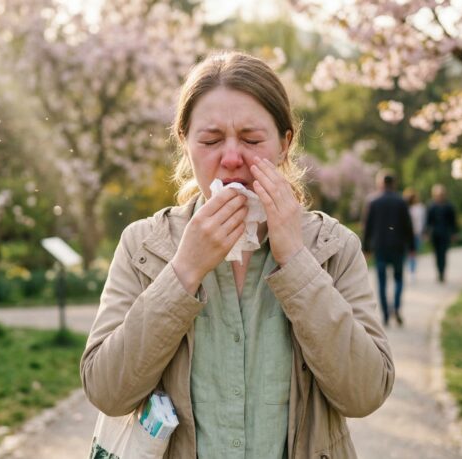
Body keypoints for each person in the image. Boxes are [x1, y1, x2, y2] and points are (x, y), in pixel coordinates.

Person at [80, 51, 394, 459]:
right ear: (185, 143)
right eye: (210, 140)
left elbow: (365, 394)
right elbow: (106, 391)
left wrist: (296, 261)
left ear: (285, 144)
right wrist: (184, 270)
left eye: (251, 140)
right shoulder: (143, 246)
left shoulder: (334, 247)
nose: (231, 159)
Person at [362, 171, 415, 326]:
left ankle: (385, 314)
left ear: (380, 183)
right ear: (394, 183)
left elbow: (367, 227)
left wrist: (366, 248)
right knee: (398, 279)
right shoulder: (401, 202)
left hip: (380, 247)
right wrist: (412, 246)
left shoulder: (373, 201)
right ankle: (396, 307)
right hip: (398, 247)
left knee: (382, 282)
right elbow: (408, 226)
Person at [425, 184, 458, 283]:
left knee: (443, 254)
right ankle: (439, 272)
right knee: (436, 254)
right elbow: (428, 221)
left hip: (445, 233)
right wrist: (426, 233)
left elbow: (453, 221)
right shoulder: (431, 206)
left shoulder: (449, 206)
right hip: (435, 234)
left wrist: (454, 233)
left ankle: (442, 272)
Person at [403, 188, 426, 282]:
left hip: (410, 234)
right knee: (413, 254)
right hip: (415, 234)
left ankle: (410, 271)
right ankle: (412, 271)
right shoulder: (419, 208)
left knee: (409, 254)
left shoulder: (412, 208)